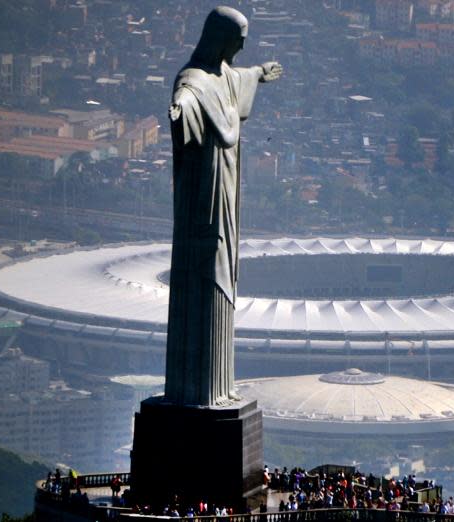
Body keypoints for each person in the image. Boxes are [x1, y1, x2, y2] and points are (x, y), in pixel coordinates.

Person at [164, 5, 283, 407]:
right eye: (237, 42)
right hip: (204, 200)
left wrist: (260, 74)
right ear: (219, 39)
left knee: (224, 276)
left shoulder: (226, 76)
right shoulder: (194, 81)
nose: (241, 49)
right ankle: (198, 391)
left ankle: (218, 388)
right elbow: (189, 96)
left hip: (227, 196)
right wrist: (180, 110)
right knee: (203, 279)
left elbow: (237, 79)